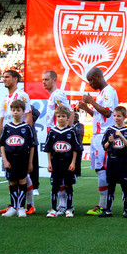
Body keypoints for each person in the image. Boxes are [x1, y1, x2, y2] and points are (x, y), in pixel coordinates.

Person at [79, 68, 118, 216]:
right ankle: (102, 204)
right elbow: (100, 114)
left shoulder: (108, 91)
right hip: (97, 135)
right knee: (99, 169)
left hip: (104, 135)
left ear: (98, 77)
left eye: (91, 80)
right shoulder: (101, 93)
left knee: (103, 169)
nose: (90, 84)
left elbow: (108, 113)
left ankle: (105, 205)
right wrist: (87, 108)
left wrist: (91, 102)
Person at [0, 70, 36, 215]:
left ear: (15, 79)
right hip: (8, 142)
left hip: (21, 141)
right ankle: (15, 205)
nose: (4, 79)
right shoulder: (6, 98)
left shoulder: (22, 95)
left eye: (7, 77)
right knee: (11, 175)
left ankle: (29, 204)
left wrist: (28, 136)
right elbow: (1, 121)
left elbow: (29, 117)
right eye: (4, 77)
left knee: (24, 175)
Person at [42, 70, 74, 210]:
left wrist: (68, 130)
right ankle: (62, 204)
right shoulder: (52, 96)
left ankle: (64, 204)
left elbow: (69, 112)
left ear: (54, 80)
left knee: (61, 172)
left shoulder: (58, 95)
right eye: (43, 80)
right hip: (54, 136)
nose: (44, 82)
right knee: (57, 172)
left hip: (60, 137)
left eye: (47, 79)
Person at [44, 106, 82, 218]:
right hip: (56, 162)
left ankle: (69, 208)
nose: (61, 118)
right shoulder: (52, 132)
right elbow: (49, 149)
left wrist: (73, 162)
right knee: (55, 186)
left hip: (67, 162)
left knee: (68, 185)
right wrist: (49, 163)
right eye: (59, 116)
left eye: (63, 116)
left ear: (68, 118)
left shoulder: (71, 131)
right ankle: (53, 208)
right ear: (56, 117)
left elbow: (75, 148)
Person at [99, 106, 127, 218]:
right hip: (112, 160)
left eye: (119, 116)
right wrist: (109, 142)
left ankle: (126, 209)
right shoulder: (109, 130)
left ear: (124, 117)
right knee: (111, 185)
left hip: (123, 160)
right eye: (114, 116)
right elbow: (104, 146)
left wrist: (122, 137)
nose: (116, 118)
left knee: (124, 185)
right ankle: (108, 209)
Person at [73, 113, 84, 177]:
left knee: (78, 160)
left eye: (76, 117)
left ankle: (78, 173)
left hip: (79, 145)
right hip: (72, 146)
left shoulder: (80, 125)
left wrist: (72, 128)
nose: (74, 118)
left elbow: (79, 132)